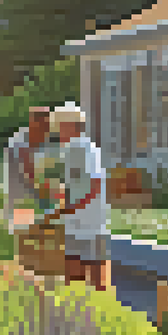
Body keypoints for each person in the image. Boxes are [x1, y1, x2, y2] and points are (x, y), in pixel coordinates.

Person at [44, 105, 110, 290]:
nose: (57, 132)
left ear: (71, 126)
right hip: (78, 221)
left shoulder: (82, 149)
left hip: (89, 222)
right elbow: (76, 184)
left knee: (91, 275)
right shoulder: (74, 149)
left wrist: (71, 208)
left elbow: (95, 185)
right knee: (76, 274)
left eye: (59, 127)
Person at [3, 107, 54, 233]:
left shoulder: (44, 141)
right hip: (21, 202)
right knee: (24, 239)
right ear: (33, 122)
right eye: (43, 125)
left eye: (47, 126)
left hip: (40, 200)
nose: (46, 130)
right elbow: (29, 173)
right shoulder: (20, 141)